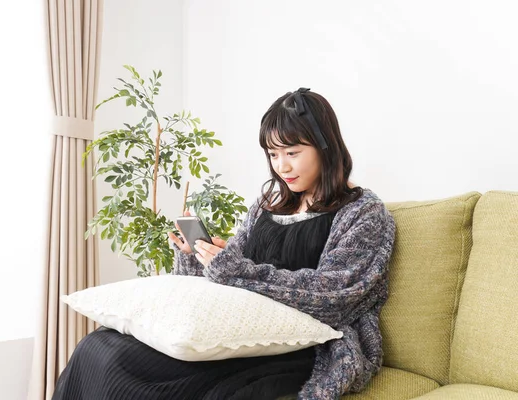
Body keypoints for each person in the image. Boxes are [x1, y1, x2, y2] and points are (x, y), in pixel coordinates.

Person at [168, 88, 396, 399]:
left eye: (292, 153)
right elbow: (227, 274)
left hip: (312, 347)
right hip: (243, 332)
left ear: (324, 146)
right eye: (273, 154)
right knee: (106, 352)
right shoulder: (267, 204)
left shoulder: (363, 211)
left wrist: (234, 271)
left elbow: (335, 295)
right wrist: (198, 257)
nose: (281, 167)